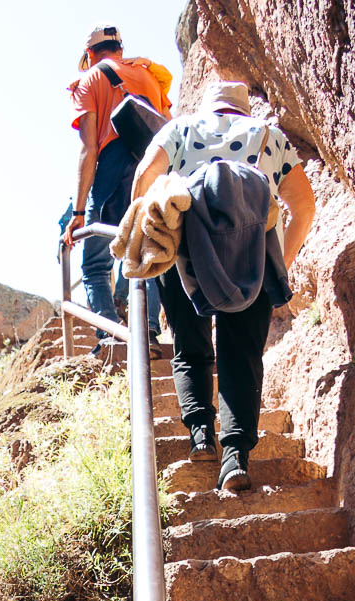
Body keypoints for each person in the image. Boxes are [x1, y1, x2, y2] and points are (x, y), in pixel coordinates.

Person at [132, 80, 316, 490]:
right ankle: (235, 458)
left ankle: (201, 434)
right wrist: (279, 264)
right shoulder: (269, 136)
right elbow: (305, 206)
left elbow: (147, 174)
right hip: (252, 258)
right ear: (244, 110)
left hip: (186, 255)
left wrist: (142, 238)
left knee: (190, 346)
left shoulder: (180, 129)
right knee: (242, 354)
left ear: (208, 108)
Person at [64, 24, 172, 357]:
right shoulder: (148, 78)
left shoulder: (90, 80)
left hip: (113, 168)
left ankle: (112, 335)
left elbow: (88, 150)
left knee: (95, 264)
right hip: (153, 168)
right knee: (145, 253)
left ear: (89, 55)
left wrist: (78, 213)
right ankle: (148, 331)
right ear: (120, 49)